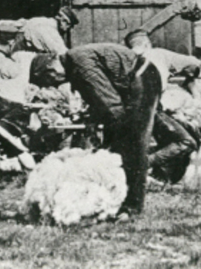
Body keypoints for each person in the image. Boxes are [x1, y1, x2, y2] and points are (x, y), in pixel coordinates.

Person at [30, 42, 161, 218]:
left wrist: (116, 135)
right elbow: (98, 101)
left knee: (133, 144)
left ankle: (132, 206)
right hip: (129, 83)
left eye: (50, 80)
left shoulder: (79, 63)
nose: (56, 83)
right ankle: (116, 200)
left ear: (50, 69)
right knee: (119, 147)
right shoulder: (74, 68)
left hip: (142, 77)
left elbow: (111, 104)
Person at [124, 29, 201, 183]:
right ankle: (140, 166)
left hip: (129, 110)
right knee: (186, 142)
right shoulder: (158, 54)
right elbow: (194, 62)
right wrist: (190, 78)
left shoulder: (126, 60)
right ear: (147, 43)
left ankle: (158, 176)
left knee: (163, 141)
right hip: (151, 107)